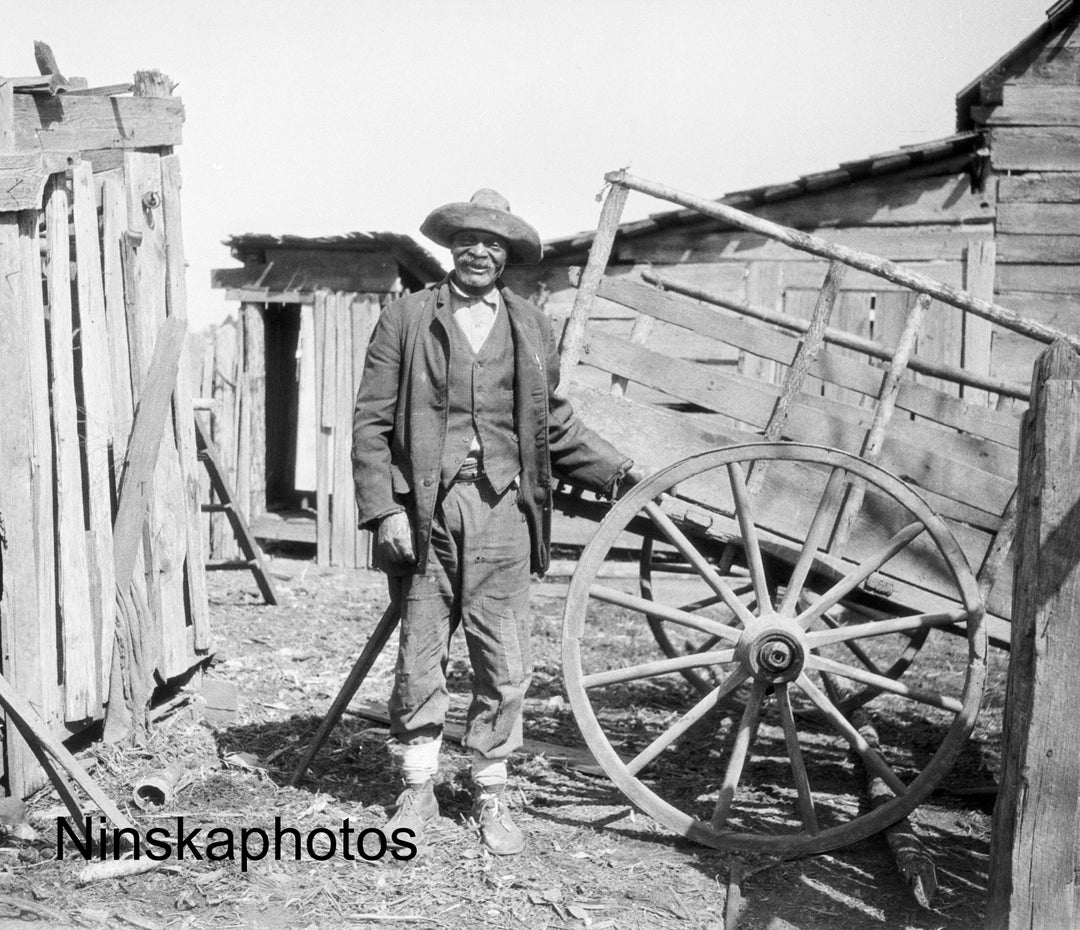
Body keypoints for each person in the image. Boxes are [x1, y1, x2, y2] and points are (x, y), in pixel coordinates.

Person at [352, 189, 640, 856]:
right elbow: (369, 422)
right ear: (450, 247)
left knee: (504, 660)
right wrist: (384, 509)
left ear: (507, 256)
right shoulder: (406, 317)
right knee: (421, 654)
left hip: (507, 509)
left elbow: (551, 423)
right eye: (468, 240)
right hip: (427, 511)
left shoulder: (532, 327)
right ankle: (417, 789)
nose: (479, 252)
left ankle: (490, 796)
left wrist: (615, 471)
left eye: (494, 244)